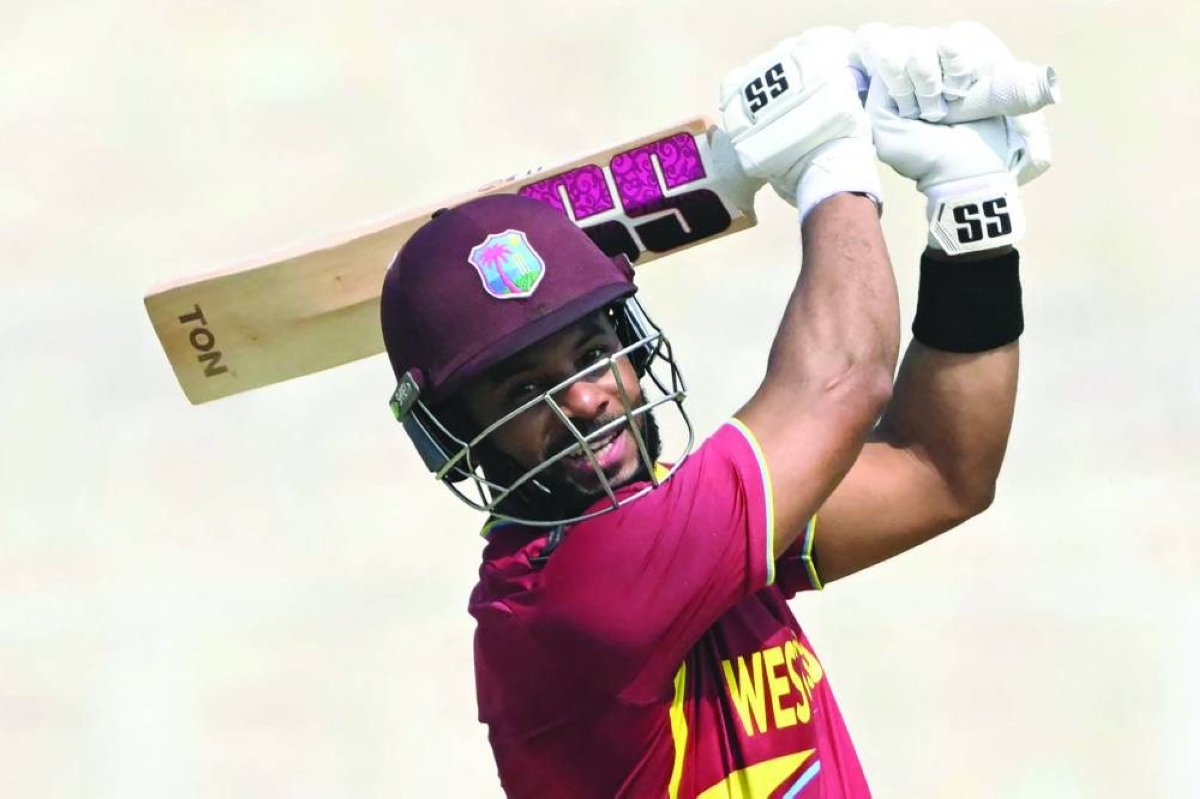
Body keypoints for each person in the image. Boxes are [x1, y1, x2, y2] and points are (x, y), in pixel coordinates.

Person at [380, 23, 1052, 799]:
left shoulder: (683, 531)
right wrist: (826, 161)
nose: (585, 397)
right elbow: (842, 379)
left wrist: (972, 211)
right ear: (459, 438)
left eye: (592, 351)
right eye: (524, 392)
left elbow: (938, 470)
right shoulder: (565, 604)